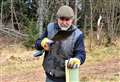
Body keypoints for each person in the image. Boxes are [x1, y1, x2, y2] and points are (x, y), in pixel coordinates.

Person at [34, 5, 86, 82]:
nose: (64, 22)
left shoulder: (78, 35)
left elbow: (81, 53)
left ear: (72, 20)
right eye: (61, 19)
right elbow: (37, 44)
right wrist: (41, 43)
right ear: (57, 18)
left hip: (66, 78)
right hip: (49, 77)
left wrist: (77, 59)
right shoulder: (50, 28)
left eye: (67, 19)